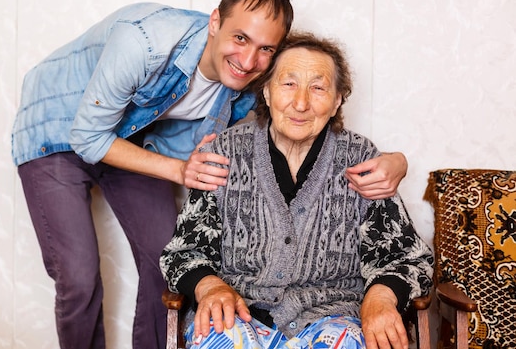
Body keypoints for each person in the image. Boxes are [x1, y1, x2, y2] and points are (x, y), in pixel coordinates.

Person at [11, 0, 408, 349]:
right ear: (215, 21)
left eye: (266, 49)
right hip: (59, 133)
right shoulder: (144, 41)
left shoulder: (254, 84)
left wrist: (396, 161)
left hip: (134, 140)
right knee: (78, 276)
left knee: (160, 264)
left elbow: (283, 136)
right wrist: (180, 170)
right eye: (240, 37)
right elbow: (88, 137)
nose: (249, 59)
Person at [160, 31, 433, 349]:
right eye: (288, 84)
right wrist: (208, 286)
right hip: (237, 314)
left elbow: (409, 258)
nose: (301, 103)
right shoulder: (225, 153)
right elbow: (182, 254)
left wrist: (382, 296)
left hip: (332, 318)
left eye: (318, 88)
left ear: (337, 101)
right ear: (266, 91)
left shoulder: (361, 159)